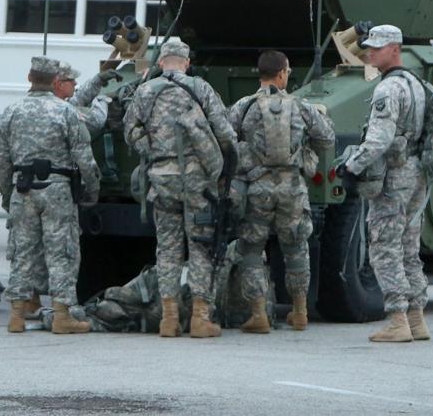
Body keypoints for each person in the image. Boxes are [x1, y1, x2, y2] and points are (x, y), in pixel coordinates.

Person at [123, 38, 237, 339]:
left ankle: (169, 319)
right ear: (187, 63)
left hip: (161, 178)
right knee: (200, 245)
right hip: (198, 181)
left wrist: (152, 148)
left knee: (168, 249)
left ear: (161, 62)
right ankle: (200, 318)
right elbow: (225, 133)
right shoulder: (200, 88)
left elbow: (129, 131)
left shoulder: (145, 91)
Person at [227, 50, 334, 333]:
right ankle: (300, 313)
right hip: (293, 188)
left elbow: (224, 139)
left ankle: (259, 315)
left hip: (257, 188)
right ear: (282, 73)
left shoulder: (244, 106)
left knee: (251, 249)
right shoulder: (300, 106)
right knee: (296, 246)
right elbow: (327, 138)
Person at [335, 24, 430, 343]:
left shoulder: (388, 89)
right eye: (369, 46)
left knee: (384, 246)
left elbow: (378, 140)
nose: (370, 51)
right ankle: (417, 318)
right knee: (408, 246)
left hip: (393, 175)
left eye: (378, 47)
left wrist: (351, 167)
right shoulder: (416, 83)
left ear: (395, 49)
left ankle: (397, 320)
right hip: (417, 173)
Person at [0, 55, 100, 336]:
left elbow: (1, 160)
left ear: (30, 78)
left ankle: (16, 316)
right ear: (55, 81)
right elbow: (85, 159)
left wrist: (7, 194)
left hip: (23, 188)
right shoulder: (65, 112)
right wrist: (91, 190)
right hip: (58, 190)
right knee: (61, 253)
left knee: (22, 253)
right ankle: (62, 316)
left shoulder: (11, 111)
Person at [54, 63, 116, 135]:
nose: (75, 83)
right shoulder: (61, 110)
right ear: (59, 84)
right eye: (71, 80)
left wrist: (99, 79)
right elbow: (96, 122)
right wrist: (102, 100)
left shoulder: (55, 101)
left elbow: (77, 100)